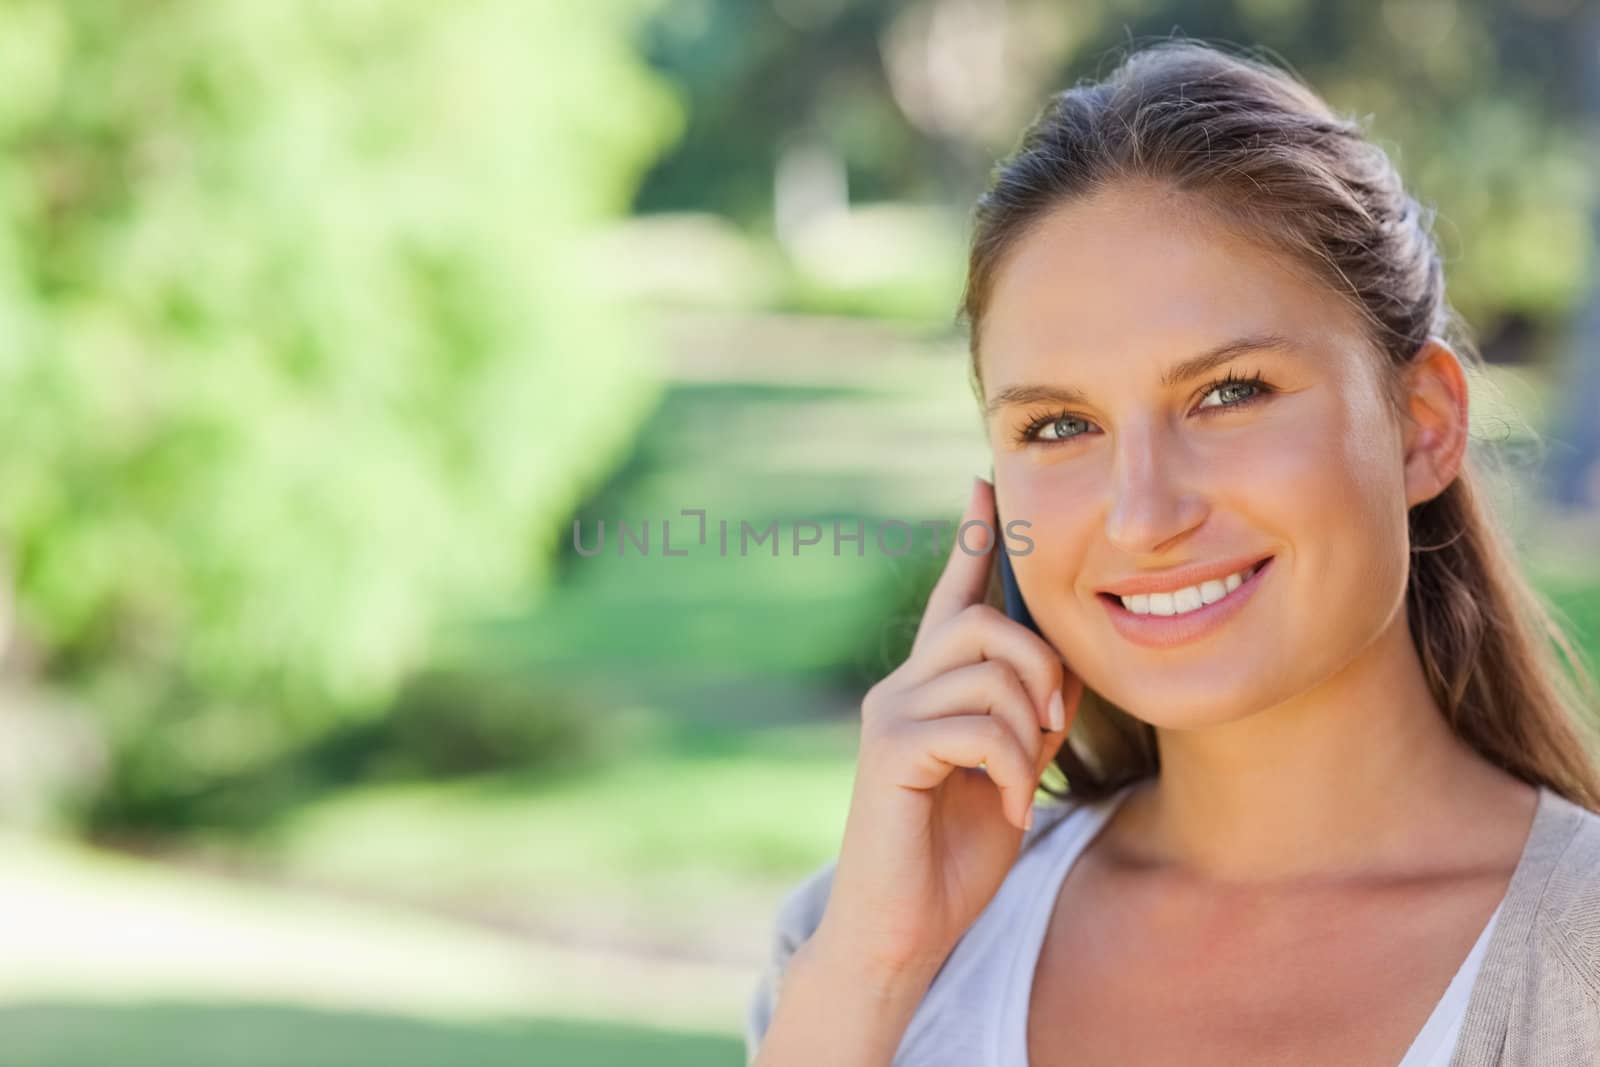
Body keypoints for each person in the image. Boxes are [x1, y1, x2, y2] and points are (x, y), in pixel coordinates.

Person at [744, 39, 1600, 1067]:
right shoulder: (857, 943)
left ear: (1420, 423)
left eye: (1228, 393)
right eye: (1059, 425)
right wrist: (871, 976)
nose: (1142, 515)